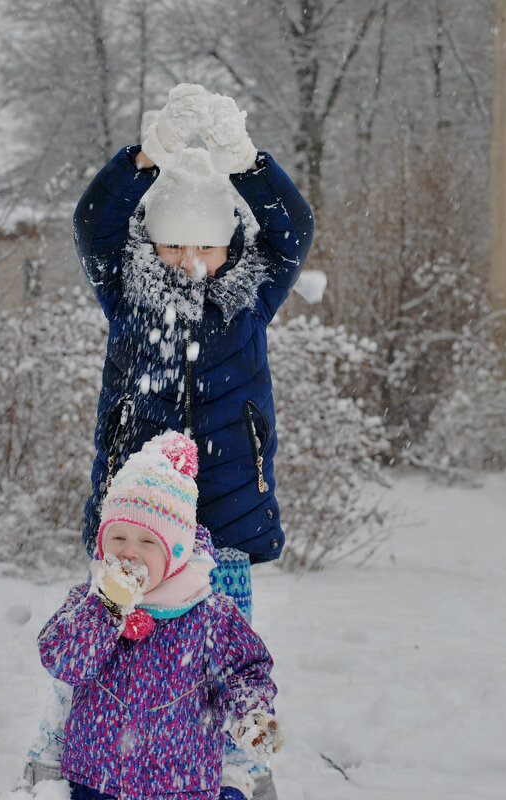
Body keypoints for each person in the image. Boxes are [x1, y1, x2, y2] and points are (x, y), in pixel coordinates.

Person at [26, 83, 314, 800]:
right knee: (122, 644)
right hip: (139, 519)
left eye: (207, 246)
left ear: (230, 243)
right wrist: (144, 158)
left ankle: (235, 768)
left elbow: (294, 230)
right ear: (153, 242)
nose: (191, 261)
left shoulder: (249, 297)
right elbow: (94, 223)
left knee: (223, 648)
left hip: (228, 512)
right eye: (175, 243)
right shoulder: (126, 295)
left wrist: (248, 163)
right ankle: (97, 758)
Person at [38, 431, 282, 800]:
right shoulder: (88, 602)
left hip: (180, 784)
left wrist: (250, 715)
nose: (129, 553)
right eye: (118, 538)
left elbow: (244, 671)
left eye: (147, 541)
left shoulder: (209, 614)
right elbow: (62, 661)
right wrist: (106, 609)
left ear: (176, 552)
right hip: (95, 781)